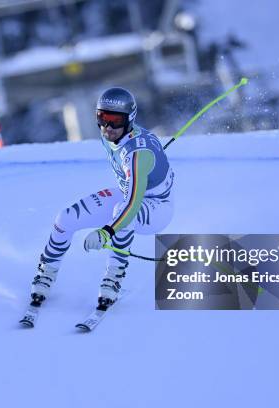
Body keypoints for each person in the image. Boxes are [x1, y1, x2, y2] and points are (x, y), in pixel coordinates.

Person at [30, 87, 175, 310]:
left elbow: (133, 204)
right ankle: (46, 273)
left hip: (156, 208)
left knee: (121, 212)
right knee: (66, 218)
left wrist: (106, 232)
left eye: (115, 121)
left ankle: (112, 280)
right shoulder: (111, 134)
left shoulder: (137, 155)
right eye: (102, 118)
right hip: (129, 194)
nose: (107, 127)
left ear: (130, 119)